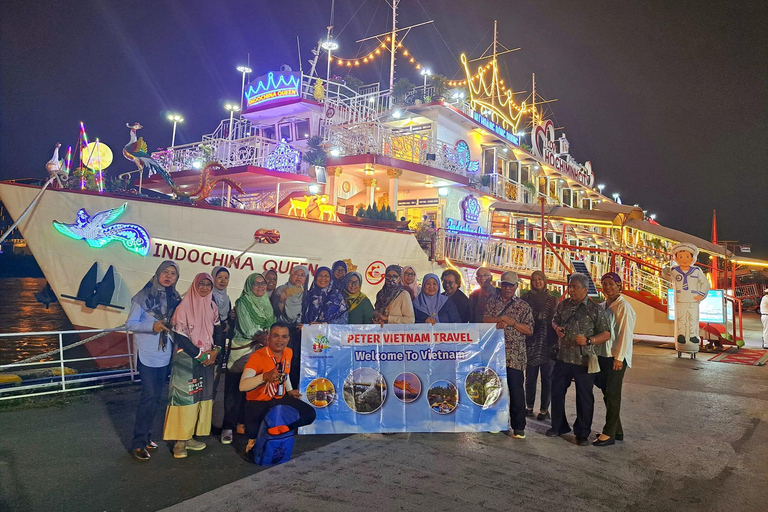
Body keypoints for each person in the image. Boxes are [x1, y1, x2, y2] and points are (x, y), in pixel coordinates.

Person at [127, 261, 181, 461]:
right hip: (147, 353)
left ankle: (147, 437)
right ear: (157, 273)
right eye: (165, 272)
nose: (168, 276)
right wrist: (153, 327)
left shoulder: (175, 298)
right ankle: (138, 443)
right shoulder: (143, 297)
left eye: (173, 273)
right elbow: (130, 324)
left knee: (157, 398)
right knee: (148, 396)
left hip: (165, 353)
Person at [549, 273, 611, 446]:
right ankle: (558, 426)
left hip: (584, 359)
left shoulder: (595, 309)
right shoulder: (563, 305)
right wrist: (557, 329)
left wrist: (589, 340)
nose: (571, 290)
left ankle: (582, 433)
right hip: (563, 357)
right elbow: (555, 320)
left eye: (575, 287)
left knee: (584, 397)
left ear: (585, 289)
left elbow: (606, 334)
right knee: (557, 391)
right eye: (570, 286)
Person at [163, 273, 220, 459]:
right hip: (187, 359)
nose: (204, 288)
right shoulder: (184, 307)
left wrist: (216, 351)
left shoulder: (212, 305)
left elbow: (218, 330)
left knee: (201, 396)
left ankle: (190, 436)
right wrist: (200, 354)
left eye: (207, 285)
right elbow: (181, 337)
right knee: (184, 399)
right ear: (195, 285)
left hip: (207, 359)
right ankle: (180, 441)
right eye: (201, 284)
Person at [240, 322, 317, 456]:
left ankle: (282, 429)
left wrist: (289, 390)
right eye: (276, 336)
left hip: (279, 398)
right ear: (268, 337)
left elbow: (284, 373)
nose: (280, 340)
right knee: (252, 434)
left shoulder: (288, 352)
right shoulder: (257, 357)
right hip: (258, 402)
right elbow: (243, 386)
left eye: (284, 336)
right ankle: (262, 432)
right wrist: (263, 377)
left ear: (288, 339)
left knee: (309, 414)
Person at [221, 273, 276, 444]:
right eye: (256, 283)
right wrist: (266, 335)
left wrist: (266, 334)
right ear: (249, 285)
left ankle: (243, 423)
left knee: (253, 390)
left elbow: (271, 323)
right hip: (242, 353)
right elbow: (247, 329)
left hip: (260, 352)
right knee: (235, 391)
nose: (260, 286)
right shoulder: (242, 303)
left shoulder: (266, 302)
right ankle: (227, 427)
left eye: (263, 283)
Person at [484, 271, 534, 439]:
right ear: (500, 285)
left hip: (515, 356)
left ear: (516, 287)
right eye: (504, 284)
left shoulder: (524, 306)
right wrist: (501, 319)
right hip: (495, 354)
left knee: (516, 391)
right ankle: (496, 423)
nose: (507, 288)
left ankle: (519, 427)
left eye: (510, 285)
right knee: (495, 389)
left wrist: (512, 322)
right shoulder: (492, 302)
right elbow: (484, 319)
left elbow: (529, 329)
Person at [593, 272, 636, 446]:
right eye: (605, 284)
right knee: (607, 392)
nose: (608, 287)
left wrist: (619, 357)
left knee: (612, 393)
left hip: (616, 357)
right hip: (604, 354)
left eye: (612, 284)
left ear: (619, 285)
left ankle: (608, 433)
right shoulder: (603, 305)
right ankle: (616, 430)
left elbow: (625, 333)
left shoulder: (623, 306)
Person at [521, 270, 558, 420]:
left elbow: (557, 319)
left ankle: (544, 409)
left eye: (539, 279)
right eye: (534, 280)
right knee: (530, 377)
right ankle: (529, 406)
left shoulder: (553, 300)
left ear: (544, 281)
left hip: (548, 342)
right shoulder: (525, 298)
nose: (537, 282)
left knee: (547, 378)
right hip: (530, 342)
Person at [662, 243, 709, 354]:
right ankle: (681, 335)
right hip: (680, 299)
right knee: (681, 318)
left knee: (693, 318)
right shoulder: (674, 270)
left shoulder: (696, 270)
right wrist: (665, 269)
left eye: (687, 256)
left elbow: (704, 283)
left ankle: (693, 335)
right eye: (681, 257)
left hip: (693, 299)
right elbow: (666, 276)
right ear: (676, 258)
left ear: (692, 258)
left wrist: (701, 294)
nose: (684, 259)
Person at [272, 265, 309, 389]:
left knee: (296, 363)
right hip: (283, 331)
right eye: (296, 274)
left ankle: (291, 392)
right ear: (290, 275)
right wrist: (282, 301)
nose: (299, 277)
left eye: (302, 275)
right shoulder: (281, 290)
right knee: (281, 362)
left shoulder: (308, 294)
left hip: (300, 333)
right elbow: (276, 311)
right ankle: (279, 391)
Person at [210, 266, 233, 403]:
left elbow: (226, 320)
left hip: (220, 340)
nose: (223, 280)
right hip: (209, 342)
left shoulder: (227, 298)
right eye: (219, 277)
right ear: (213, 278)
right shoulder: (208, 295)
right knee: (207, 377)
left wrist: (230, 320)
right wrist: (222, 324)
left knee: (216, 376)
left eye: (226, 278)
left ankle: (208, 416)